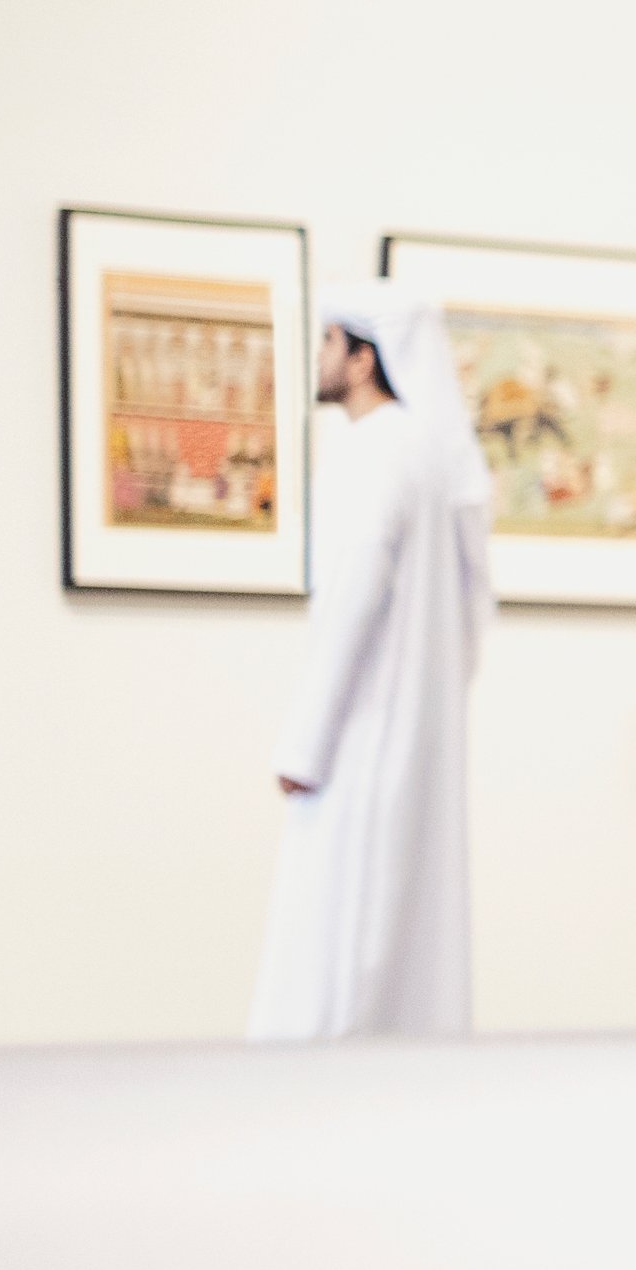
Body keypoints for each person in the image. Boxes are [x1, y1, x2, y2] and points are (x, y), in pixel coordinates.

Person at [250, 288, 493, 1039]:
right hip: (405, 737)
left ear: (362, 358)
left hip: (357, 742)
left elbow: (351, 602)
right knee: (391, 931)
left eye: (328, 341)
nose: (318, 358)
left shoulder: (374, 451)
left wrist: (303, 744)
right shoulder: (427, 458)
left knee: (338, 936)